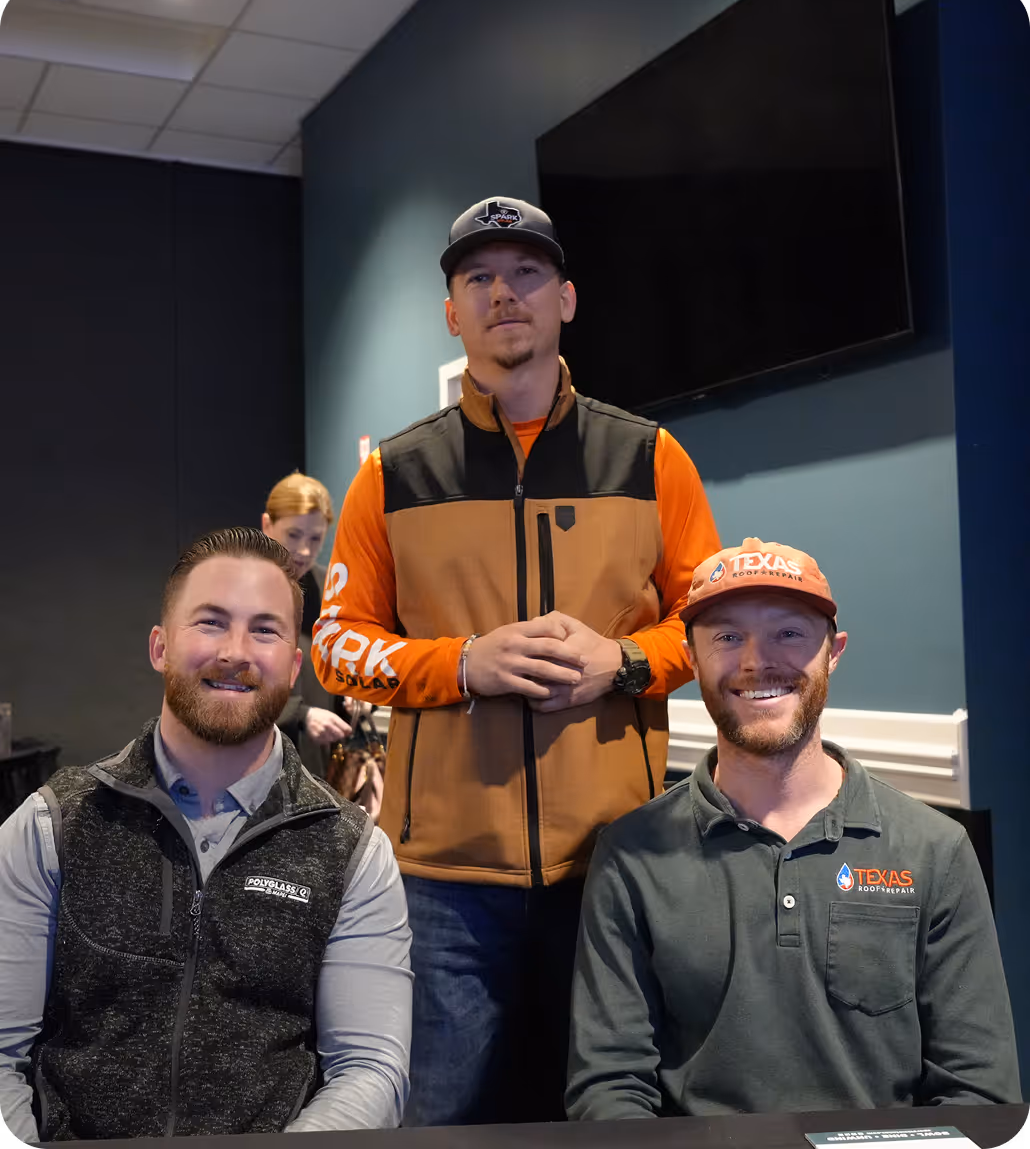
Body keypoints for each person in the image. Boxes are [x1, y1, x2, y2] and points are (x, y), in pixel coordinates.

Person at [311, 196, 721, 1125]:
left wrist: (620, 661)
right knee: (442, 1119)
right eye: (478, 279)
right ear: (453, 313)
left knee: (605, 1116)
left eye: (527, 273)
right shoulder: (392, 476)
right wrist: (463, 665)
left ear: (567, 299)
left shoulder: (652, 459)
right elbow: (336, 644)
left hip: (616, 867)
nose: (505, 293)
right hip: (446, 887)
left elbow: (709, 628)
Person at [566, 537, 1021, 1119]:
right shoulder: (630, 854)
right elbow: (609, 1085)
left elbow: (979, 1092)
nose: (757, 660)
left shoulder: (934, 849)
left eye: (789, 633)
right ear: (692, 656)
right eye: (728, 637)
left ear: (833, 653)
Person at [0, 528, 412, 1141]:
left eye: (265, 630)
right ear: (160, 646)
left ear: (294, 665)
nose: (236, 651)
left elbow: (370, 1071)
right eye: (211, 622)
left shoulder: (352, 851)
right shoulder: (51, 824)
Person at [262, 472, 352, 780]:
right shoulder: (242, 587)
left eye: (315, 538)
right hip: (256, 758)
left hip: (318, 764)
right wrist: (301, 715)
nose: (303, 550)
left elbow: (341, 657)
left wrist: (353, 690)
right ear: (267, 525)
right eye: (293, 535)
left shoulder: (331, 588)